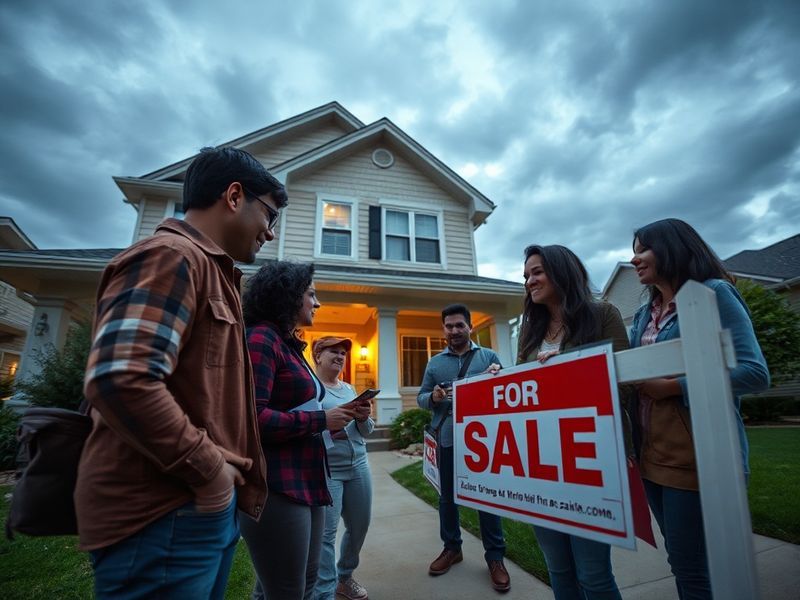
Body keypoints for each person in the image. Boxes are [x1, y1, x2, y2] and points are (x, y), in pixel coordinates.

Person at [76, 146, 286, 599]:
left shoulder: (215, 273)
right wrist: (210, 472)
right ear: (234, 196)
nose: (270, 233)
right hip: (163, 514)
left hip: (197, 510)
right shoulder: (171, 256)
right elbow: (121, 378)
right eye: (270, 215)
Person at [628, 218, 769, 599]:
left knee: (693, 567)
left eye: (643, 249)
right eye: (634, 250)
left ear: (672, 247)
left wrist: (673, 387)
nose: (635, 258)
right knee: (681, 559)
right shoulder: (644, 314)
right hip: (650, 455)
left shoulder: (715, 293)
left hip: (698, 456)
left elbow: (754, 372)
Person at [240, 261, 361, 600]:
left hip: (309, 478)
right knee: (287, 591)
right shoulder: (261, 340)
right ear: (289, 296)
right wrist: (321, 420)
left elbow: (297, 407)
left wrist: (335, 420)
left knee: (302, 583)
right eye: (311, 294)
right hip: (278, 485)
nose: (317, 303)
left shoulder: (288, 344)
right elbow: (252, 419)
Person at [517, 244, 630, 600]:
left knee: (594, 575)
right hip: (541, 465)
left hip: (589, 462)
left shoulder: (602, 314)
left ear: (561, 271)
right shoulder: (530, 329)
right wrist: (500, 379)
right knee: (558, 570)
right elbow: (523, 391)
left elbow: (624, 385)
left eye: (536, 272)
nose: (529, 282)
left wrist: (566, 371)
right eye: (526, 276)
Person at [417, 303, 511, 593]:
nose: (454, 330)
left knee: (486, 499)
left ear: (470, 327)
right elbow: (421, 397)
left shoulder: (489, 357)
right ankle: (452, 549)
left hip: (482, 443)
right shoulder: (435, 363)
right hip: (446, 439)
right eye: (449, 326)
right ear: (443, 328)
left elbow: (506, 391)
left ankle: (495, 558)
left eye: (460, 325)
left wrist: (499, 375)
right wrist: (431, 397)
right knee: (447, 499)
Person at [312, 336, 374, 600]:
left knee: (359, 525)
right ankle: (325, 590)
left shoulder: (349, 389)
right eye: (333, 352)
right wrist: (328, 428)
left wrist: (364, 417)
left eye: (342, 353)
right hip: (328, 470)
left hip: (359, 464)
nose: (340, 356)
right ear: (318, 356)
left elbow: (366, 432)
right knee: (326, 534)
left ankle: (344, 577)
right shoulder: (310, 390)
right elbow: (304, 427)